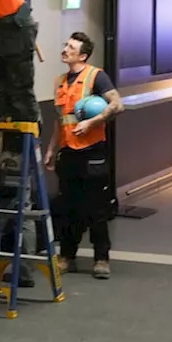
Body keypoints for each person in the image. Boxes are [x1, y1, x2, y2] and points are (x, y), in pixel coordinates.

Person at [44, 32, 124, 279]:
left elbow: (117, 104)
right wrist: (51, 149)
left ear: (83, 55)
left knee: (96, 208)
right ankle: (67, 256)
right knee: (69, 206)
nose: (65, 49)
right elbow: (61, 121)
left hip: (92, 152)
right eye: (66, 44)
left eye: (71, 47)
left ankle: (102, 258)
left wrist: (93, 122)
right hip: (69, 153)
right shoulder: (59, 81)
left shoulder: (96, 76)